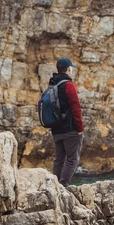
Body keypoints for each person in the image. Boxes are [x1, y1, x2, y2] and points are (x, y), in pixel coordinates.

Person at [50, 57, 84, 187]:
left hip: (56, 129)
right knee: (72, 159)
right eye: (71, 68)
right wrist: (79, 128)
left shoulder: (53, 84)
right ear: (68, 69)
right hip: (69, 129)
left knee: (59, 159)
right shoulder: (69, 85)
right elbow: (76, 108)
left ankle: (54, 187)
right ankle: (63, 187)